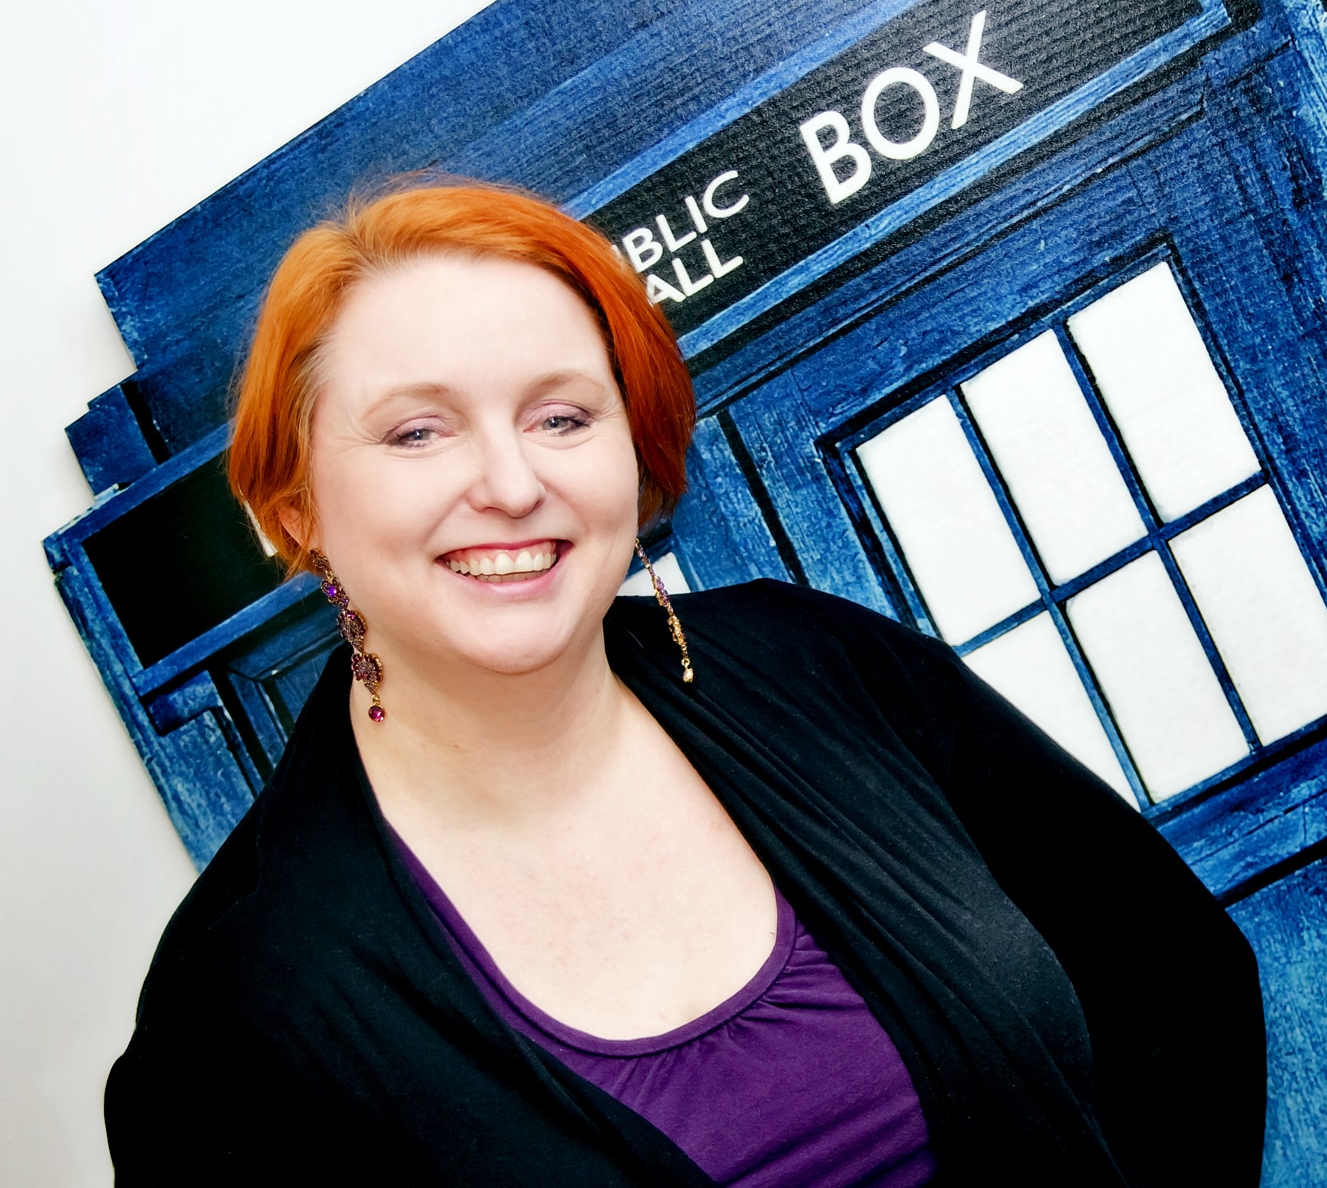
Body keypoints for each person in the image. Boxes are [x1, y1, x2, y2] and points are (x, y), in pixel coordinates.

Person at [105, 181, 1266, 1186]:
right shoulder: (237, 1010)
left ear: (635, 451)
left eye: (562, 416)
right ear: (293, 510)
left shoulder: (825, 666)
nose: (510, 483)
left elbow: (1174, 975)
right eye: (418, 433)